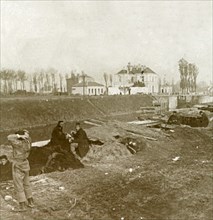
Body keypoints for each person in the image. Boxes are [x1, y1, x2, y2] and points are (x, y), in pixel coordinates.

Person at [7, 130, 34, 212]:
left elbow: (9, 137)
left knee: (18, 185)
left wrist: (19, 136)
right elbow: (28, 137)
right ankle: (31, 202)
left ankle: (22, 205)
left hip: (18, 164)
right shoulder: (28, 141)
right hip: (25, 163)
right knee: (26, 183)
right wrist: (24, 135)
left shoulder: (18, 143)